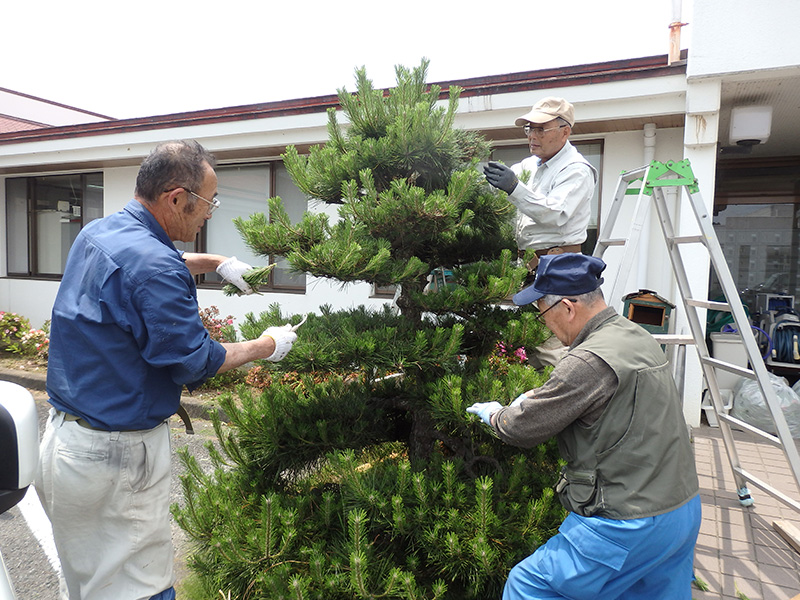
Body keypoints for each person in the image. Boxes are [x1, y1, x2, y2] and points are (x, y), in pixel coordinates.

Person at [35, 140, 298, 600]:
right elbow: (196, 361)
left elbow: (150, 265)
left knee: (88, 584)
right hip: (115, 459)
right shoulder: (153, 266)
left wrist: (218, 263)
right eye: (208, 202)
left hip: (65, 444)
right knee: (140, 588)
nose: (211, 213)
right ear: (176, 198)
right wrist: (267, 345)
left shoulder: (99, 233)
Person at [466, 253, 701, 600]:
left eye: (542, 313)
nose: (544, 324)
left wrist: (497, 414)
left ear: (567, 307)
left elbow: (523, 427)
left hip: (627, 522)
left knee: (529, 586)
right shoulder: (635, 336)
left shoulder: (587, 360)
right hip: (680, 509)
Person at [484, 96, 598, 367]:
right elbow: (499, 185)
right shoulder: (530, 166)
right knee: (530, 344)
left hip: (558, 267)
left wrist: (514, 188)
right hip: (530, 267)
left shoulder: (576, 170)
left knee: (552, 348)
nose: (532, 136)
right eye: (529, 129)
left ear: (565, 131)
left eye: (540, 129)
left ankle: (561, 405)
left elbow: (555, 213)